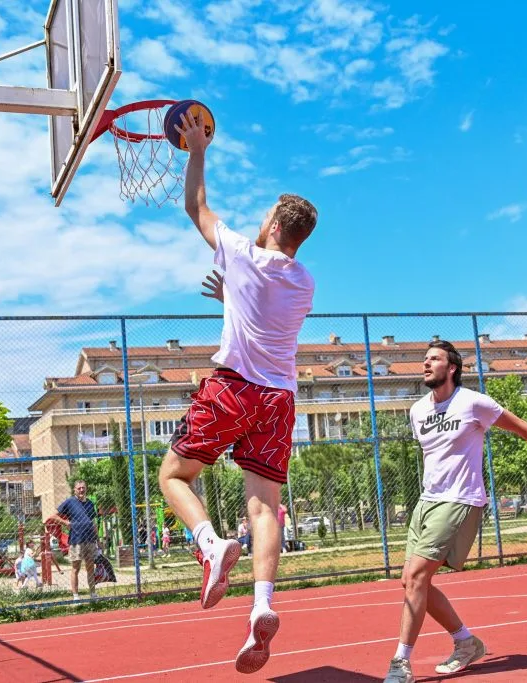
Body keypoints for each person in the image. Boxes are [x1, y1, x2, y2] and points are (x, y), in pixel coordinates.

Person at [157, 109, 318, 674]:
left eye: (267, 214)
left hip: (233, 389)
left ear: (274, 224)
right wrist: (230, 296)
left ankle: (209, 543)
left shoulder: (244, 255)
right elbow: (261, 300)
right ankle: (262, 604)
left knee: (173, 476)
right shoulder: (303, 282)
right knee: (264, 505)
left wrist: (196, 147)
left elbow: (195, 208)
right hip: (279, 401)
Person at [383, 340, 527, 683]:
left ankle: (400, 663)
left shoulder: (473, 402)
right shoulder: (417, 411)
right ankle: (466, 642)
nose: (426, 364)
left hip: (460, 499)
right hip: (426, 502)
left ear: (452, 368)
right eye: (425, 359)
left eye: (434, 359)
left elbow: (520, 426)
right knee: (412, 580)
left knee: (416, 577)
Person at [54, 480, 99, 601]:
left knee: (90, 567)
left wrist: (97, 538)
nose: (81, 490)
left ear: (86, 488)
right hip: (76, 540)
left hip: (90, 540)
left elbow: (93, 522)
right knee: (75, 568)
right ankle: (75, 596)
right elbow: (54, 516)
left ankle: (93, 594)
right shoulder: (70, 502)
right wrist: (65, 522)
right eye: (79, 488)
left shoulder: (90, 503)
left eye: (83, 488)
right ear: (74, 490)